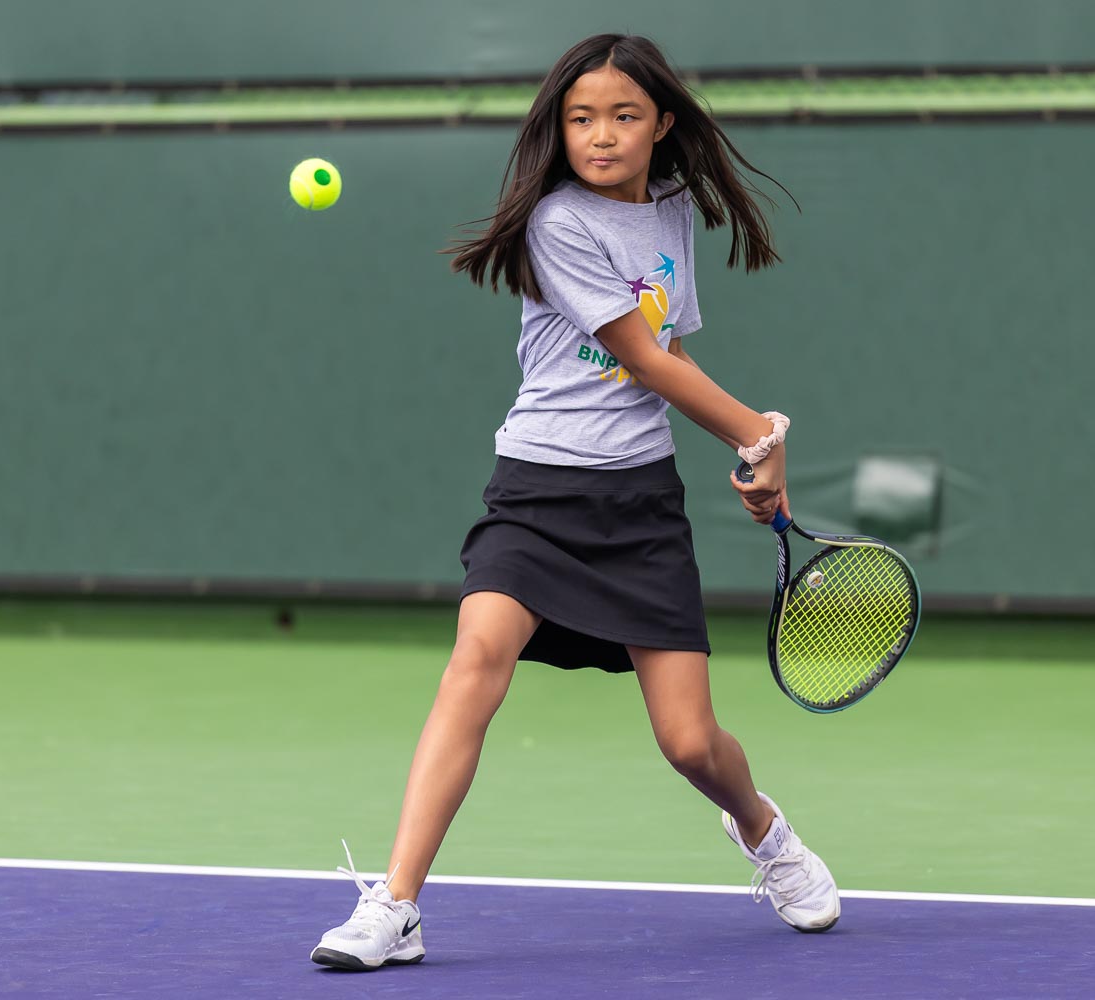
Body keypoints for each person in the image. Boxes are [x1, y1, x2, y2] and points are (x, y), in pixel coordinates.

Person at [310, 33, 838, 972]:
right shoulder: (556, 223)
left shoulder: (672, 212)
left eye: (624, 116)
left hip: (639, 506)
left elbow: (671, 352)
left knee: (689, 743)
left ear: (661, 124)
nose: (600, 135)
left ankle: (763, 831)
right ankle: (396, 903)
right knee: (476, 660)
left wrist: (758, 450)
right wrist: (761, 435)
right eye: (581, 118)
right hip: (537, 490)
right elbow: (640, 357)